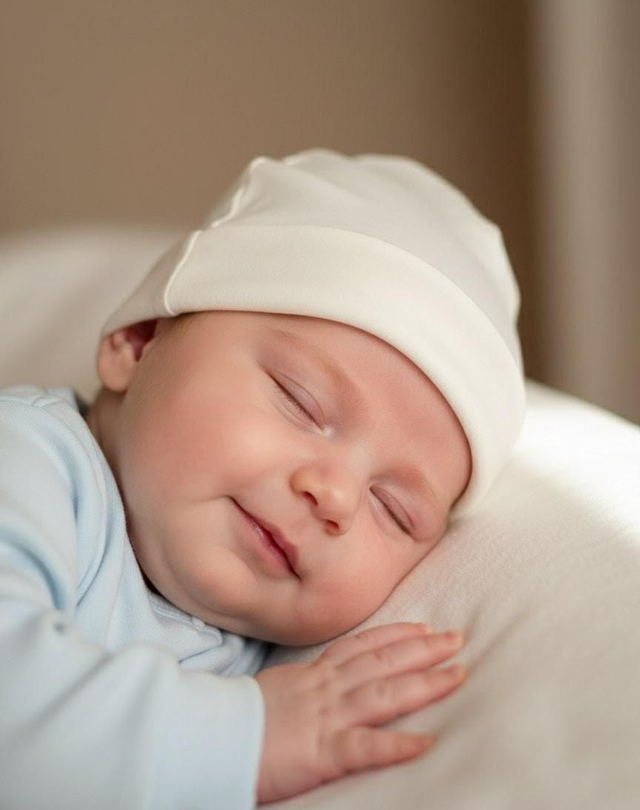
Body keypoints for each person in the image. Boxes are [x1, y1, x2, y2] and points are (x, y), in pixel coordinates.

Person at [0, 150, 525, 809]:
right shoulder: (29, 461)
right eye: (300, 400)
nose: (334, 495)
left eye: (393, 508)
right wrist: (248, 734)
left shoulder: (260, 657)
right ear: (138, 341)